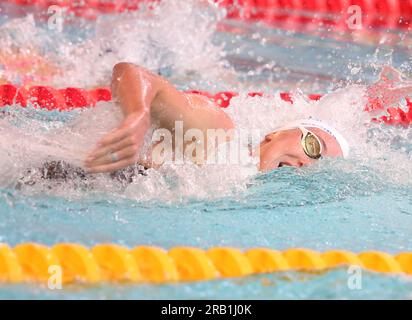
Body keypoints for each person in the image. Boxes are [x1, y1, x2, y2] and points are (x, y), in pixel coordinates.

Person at [83, 62, 349, 174]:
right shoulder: (219, 137)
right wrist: (138, 114)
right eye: (314, 147)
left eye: (320, 167)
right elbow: (129, 72)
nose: (307, 165)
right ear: (274, 134)